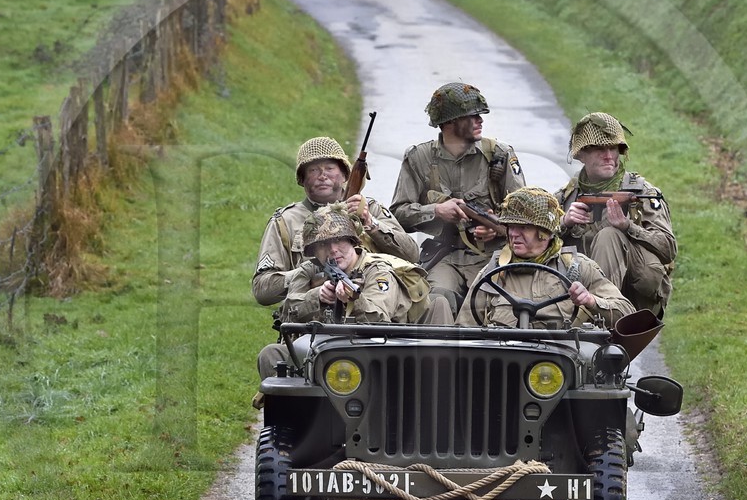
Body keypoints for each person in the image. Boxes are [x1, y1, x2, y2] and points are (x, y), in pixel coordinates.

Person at [258, 206, 451, 379]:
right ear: (313, 251)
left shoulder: (378, 271)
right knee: (271, 355)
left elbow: (378, 319)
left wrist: (354, 301)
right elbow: (287, 313)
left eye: (339, 240)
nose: (333, 250)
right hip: (323, 353)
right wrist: (317, 297)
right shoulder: (309, 271)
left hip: (377, 356)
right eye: (323, 244)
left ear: (352, 241)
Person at [390, 81, 526, 317]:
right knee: (435, 299)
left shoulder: (500, 155)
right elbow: (397, 215)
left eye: (480, 115)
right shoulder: (418, 158)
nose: (480, 121)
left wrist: (498, 227)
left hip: (492, 255)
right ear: (449, 122)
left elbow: (526, 214)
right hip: (445, 254)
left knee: (499, 303)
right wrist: (436, 211)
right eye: (472, 116)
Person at [252, 135, 419, 307]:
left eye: (330, 168)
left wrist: (371, 224)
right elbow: (262, 290)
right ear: (302, 179)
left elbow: (412, 255)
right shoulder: (285, 222)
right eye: (313, 170)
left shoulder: (370, 209)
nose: (322, 176)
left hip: (376, 310)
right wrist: (310, 274)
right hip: (312, 319)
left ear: (345, 175)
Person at [458, 187, 634, 329]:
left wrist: (591, 301)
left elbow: (627, 315)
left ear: (545, 233)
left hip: (563, 365)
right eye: (511, 227)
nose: (514, 234)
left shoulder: (578, 267)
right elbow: (464, 329)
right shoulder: (492, 274)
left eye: (524, 228)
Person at [555, 112, 676, 317]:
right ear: (581, 154)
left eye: (613, 148)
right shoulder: (564, 198)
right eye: (600, 149)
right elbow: (532, 244)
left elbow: (669, 248)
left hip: (637, 296)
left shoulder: (643, 194)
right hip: (576, 295)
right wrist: (563, 223)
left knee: (609, 235)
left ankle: (602, 314)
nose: (609, 156)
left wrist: (628, 227)